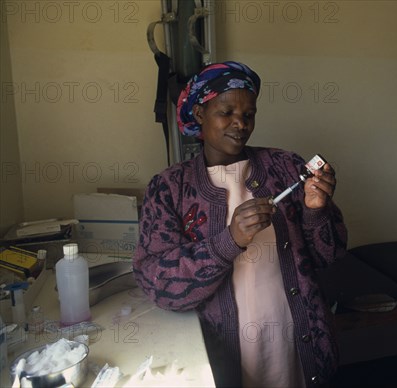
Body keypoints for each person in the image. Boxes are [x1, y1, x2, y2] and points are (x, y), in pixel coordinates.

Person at [133, 61, 348, 387]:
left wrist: (317, 210)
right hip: (228, 358)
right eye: (226, 112)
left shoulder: (286, 167)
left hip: (298, 349)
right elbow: (160, 286)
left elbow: (328, 255)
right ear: (200, 114)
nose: (240, 123)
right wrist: (228, 239)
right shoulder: (169, 188)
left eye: (249, 114)